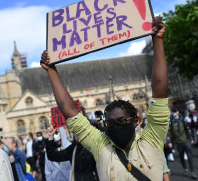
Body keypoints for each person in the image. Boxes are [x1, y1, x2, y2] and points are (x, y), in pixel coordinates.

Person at [40, 16, 169, 180]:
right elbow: (71, 113)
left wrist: (157, 40)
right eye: (109, 123)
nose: (115, 126)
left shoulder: (152, 139)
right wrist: (51, 70)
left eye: (121, 121)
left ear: (136, 121)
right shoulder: (100, 146)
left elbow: (159, 92)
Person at [169, 110, 198, 179]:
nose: (174, 113)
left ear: (178, 112)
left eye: (175, 112)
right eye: (173, 112)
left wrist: (191, 138)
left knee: (189, 156)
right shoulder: (171, 121)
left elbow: (188, 129)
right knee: (181, 157)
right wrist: (170, 142)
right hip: (178, 143)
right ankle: (185, 169)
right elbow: (170, 133)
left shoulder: (183, 119)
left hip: (186, 141)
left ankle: (192, 172)